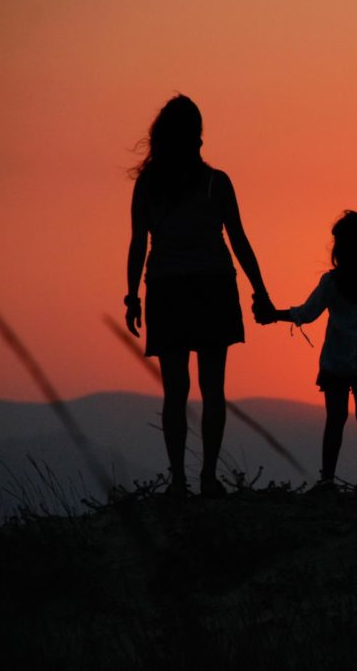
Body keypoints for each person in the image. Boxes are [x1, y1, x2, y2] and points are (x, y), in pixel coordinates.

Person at [124, 94, 274, 498]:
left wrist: (131, 295)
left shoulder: (149, 185)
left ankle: (178, 480)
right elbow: (239, 240)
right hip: (212, 287)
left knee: (175, 391)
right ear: (197, 137)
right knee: (213, 389)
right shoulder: (215, 183)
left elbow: (139, 243)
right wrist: (260, 291)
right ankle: (208, 477)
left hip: (167, 289)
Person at [257, 211, 357, 488]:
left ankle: (327, 480)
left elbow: (307, 313)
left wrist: (274, 314)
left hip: (335, 361)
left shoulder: (333, 282)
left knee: (335, 420)